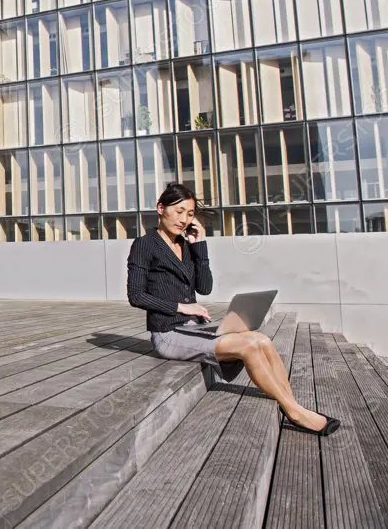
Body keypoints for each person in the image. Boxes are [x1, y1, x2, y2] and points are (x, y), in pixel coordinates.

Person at [127, 182, 339, 436]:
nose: (184, 219)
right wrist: (182, 307)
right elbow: (136, 296)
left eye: (190, 214)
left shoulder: (185, 246)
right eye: (179, 211)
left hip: (194, 329)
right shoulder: (144, 245)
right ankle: (295, 412)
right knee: (248, 346)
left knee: (261, 340)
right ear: (161, 208)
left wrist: (199, 246)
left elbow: (205, 288)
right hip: (168, 334)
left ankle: (293, 406)